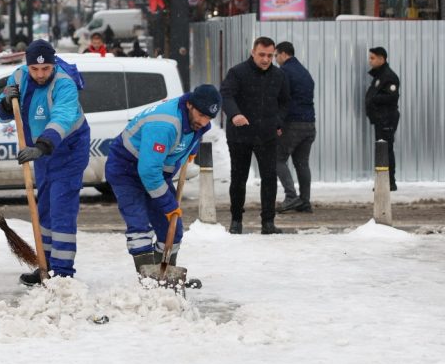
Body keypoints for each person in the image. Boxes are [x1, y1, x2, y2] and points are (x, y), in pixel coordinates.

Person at [0, 40, 90, 285]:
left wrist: (41, 146)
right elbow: (0, 113)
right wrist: (5, 102)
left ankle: (63, 273)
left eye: (45, 68)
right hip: (42, 152)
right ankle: (45, 266)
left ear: (53, 64)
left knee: (61, 210)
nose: (40, 74)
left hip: (67, 151)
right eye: (34, 69)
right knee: (44, 207)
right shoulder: (19, 76)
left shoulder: (64, 84)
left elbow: (62, 118)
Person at [104, 85, 221, 275]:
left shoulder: (195, 120)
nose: (203, 121)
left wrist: (190, 148)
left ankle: (165, 275)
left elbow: (192, 132)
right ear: (190, 105)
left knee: (172, 229)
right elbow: (148, 171)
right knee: (139, 226)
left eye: (209, 117)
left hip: (155, 171)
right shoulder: (164, 124)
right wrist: (167, 204)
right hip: (126, 169)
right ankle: (147, 280)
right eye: (201, 115)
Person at [220, 36, 290, 235]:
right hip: (240, 135)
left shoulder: (279, 75)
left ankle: (268, 222)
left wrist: (278, 122)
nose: (266, 59)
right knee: (238, 178)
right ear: (253, 52)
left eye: (270, 55)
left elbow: (285, 102)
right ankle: (236, 220)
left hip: (267, 135)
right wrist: (235, 114)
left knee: (269, 178)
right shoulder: (237, 72)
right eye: (262, 55)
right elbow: (226, 95)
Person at [273, 42, 316, 213]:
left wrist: (278, 122)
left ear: (283, 54)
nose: (275, 59)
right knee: (302, 163)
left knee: (277, 158)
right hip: (309, 124)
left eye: (276, 55)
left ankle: (291, 196)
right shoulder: (304, 72)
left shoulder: (284, 72)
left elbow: (281, 98)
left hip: (293, 123)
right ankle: (304, 201)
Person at [365, 46, 401, 192]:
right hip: (381, 119)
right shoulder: (380, 75)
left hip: (386, 119)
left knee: (385, 150)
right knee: (382, 150)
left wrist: (373, 99)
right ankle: (384, 181)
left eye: (372, 58)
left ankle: (389, 182)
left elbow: (392, 97)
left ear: (381, 59)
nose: (370, 61)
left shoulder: (389, 76)